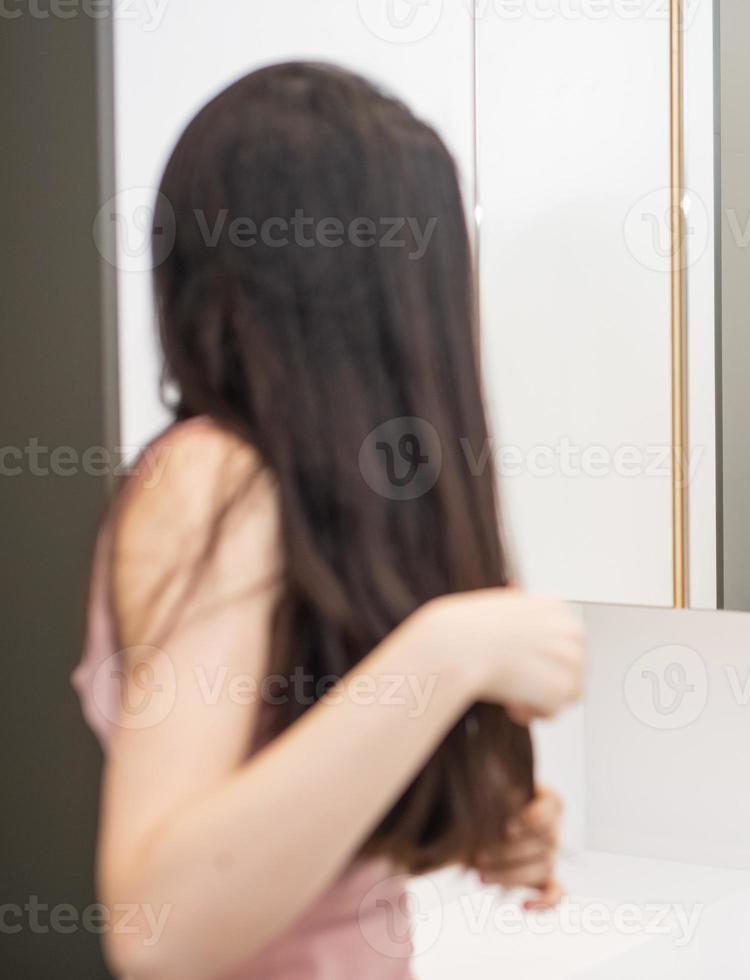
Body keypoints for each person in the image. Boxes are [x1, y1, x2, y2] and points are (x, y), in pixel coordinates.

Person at [70, 62, 584, 979]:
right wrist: (445, 652)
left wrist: (472, 829)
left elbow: (299, 842)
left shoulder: (321, 499)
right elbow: (157, 927)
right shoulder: (211, 480)